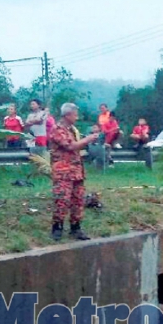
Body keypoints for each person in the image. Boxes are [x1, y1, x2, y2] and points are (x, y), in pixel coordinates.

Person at [48, 103, 101, 241]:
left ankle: (75, 228)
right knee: (62, 200)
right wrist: (88, 139)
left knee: (78, 200)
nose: (77, 117)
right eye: (75, 114)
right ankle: (57, 227)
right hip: (63, 172)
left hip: (76, 170)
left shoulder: (73, 130)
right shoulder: (57, 130)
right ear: (67, 115)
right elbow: (71, 146)